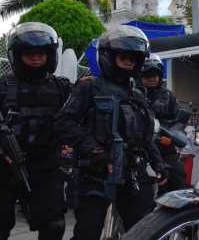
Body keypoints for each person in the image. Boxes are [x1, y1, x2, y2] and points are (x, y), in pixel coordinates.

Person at [53, 25, 166, 240]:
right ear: (108, 56)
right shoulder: (89, 88)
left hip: (133, 173)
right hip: (95, 175)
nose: (129, 62)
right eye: (124, 57)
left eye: (134, 58)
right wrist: (94, 150)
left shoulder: (138, 95)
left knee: (145, 230)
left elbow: (145, 135)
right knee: (88, 232)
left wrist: (159, 163)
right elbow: (63, 122)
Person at [0, 22, 71, 240]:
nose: (35, 58)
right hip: (5, 164)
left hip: (47, 164)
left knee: (54, 224)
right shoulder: (3, 85)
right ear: (17, 55)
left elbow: (74, 119)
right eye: (29, 54)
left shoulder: (62, 87)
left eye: (41, 54)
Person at [139, 54, 188, 195]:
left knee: (178, 176)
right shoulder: (133, 94)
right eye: (148, 75)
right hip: (139, 148)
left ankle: (180, 213)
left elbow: (179, 120)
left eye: (155, 75)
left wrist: (172, 135)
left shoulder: (168, 95)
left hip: (163, 146)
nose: (152, 78)